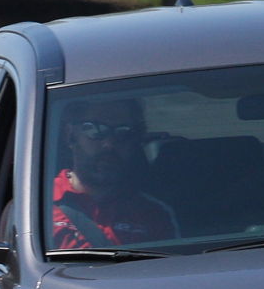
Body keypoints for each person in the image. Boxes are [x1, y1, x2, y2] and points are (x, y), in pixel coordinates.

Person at [48, 97, 177, 249]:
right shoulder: (37, 204)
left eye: (124, 132)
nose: (109, 144)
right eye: (95, 130)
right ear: (70, 135)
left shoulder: (154, 214)